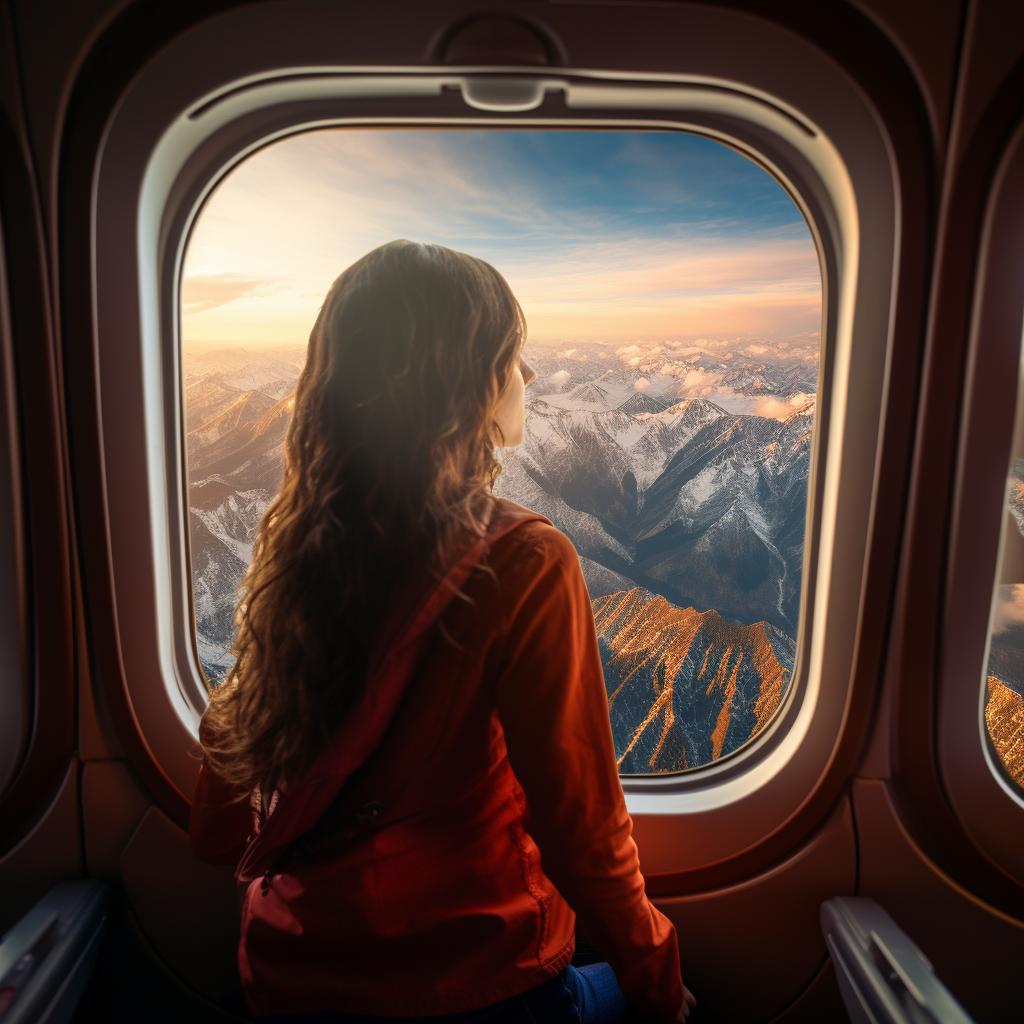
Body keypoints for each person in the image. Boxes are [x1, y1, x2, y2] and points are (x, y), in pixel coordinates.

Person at [189, 240, 696, 1024]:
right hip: (475, 989)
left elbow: (218, 821)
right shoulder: (526, 562)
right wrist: (662, 987)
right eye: (511, 355)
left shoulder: (297, 548)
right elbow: (583, 835)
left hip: (290, 974)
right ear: (459, 387)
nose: (528, 377)